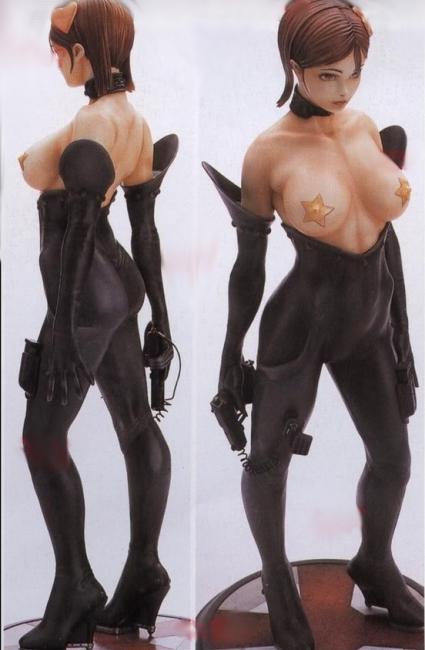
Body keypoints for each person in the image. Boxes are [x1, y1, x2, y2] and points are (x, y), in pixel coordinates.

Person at [204, 1, 423, 648]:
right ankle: (277, 582)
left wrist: (403, 339)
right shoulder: (268, 152)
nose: (343, 89)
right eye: (328, 75)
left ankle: (374, 562)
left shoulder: (363, 127)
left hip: (370, 323)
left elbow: (387, 244)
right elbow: (247, 268)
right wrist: (228, 356)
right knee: (268, 462)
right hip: (300, 325)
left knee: (393, 459)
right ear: (294, 67)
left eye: (353, 73)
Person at [17, 1, 178, 647]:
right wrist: (158, 316)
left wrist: (61, 330)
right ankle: (144, 572)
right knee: (135, 424)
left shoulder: (93, 123)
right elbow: (144, 229)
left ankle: (74, 586)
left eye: (58, 47)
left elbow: (81, 226)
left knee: (41, 437)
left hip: (84, 291)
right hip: (117, 286)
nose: (54, 57)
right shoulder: (131, 121)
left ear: (81, 50)